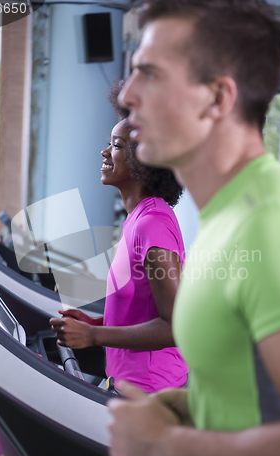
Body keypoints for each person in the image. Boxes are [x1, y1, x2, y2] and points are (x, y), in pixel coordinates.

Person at [107, 0, 280, 456]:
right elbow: (255, 398)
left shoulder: (269, 226)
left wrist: (165, 449)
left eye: (150, 75)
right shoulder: (223, 218)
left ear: (217, 99)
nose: (128, 95)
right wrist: (180, 408)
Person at [49, 85, 188, 393]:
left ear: (144, 158)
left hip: (149, 392)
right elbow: (143, 309)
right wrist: (95, 324)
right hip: (130, 383)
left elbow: (176, 325)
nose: (104, 152)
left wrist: (94, 337)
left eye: (115, 145)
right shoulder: (138, 219)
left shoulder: (151, 224)